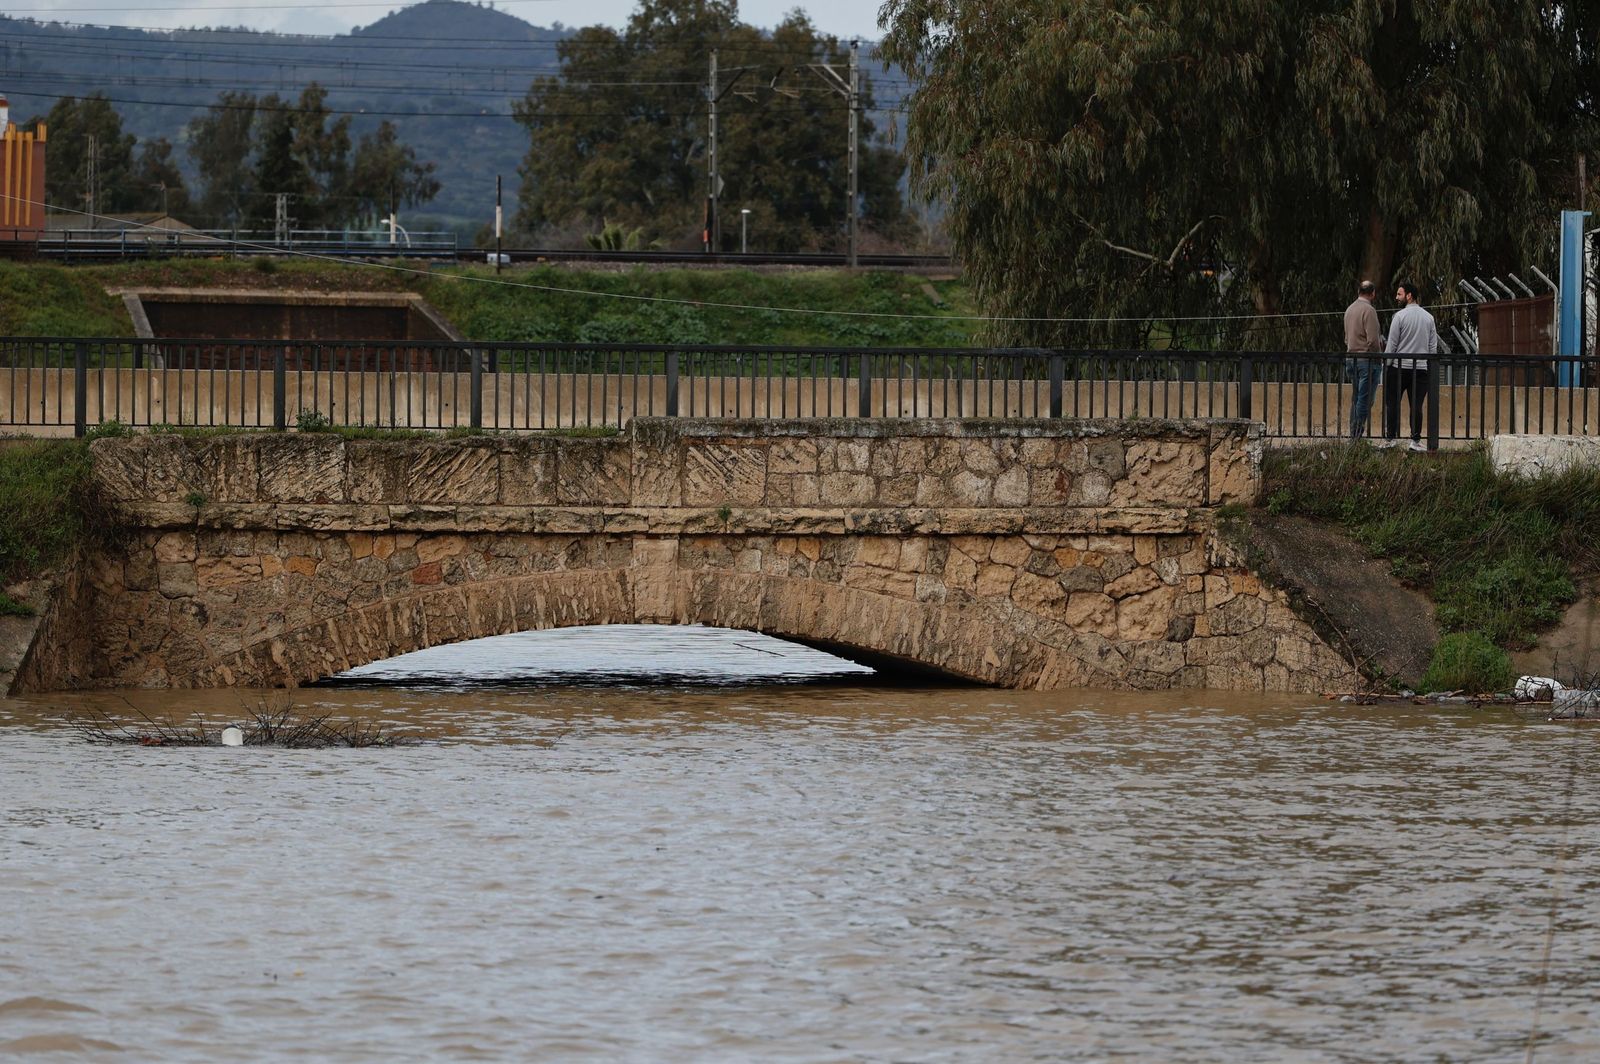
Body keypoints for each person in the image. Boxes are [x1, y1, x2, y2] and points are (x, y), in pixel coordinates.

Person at [1382, 281, 1438, 451]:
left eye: (1399, 294)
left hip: (1398, 368)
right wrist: (1428, 366)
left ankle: (1390, 439)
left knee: (1392, 404)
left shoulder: (1399, 317)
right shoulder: (1429, 317)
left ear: (1409, 296)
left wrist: (1387, 365)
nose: (1396, 297)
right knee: (1416, 405)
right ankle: (1415, 441)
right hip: (1420, 370)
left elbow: (1392, 345)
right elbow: (1432, 347)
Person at [1343, 280, 1383, 439]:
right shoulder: (1369, 310)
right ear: (1373, 293)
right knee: (1365, 400)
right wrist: (1378, 357)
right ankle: (1357, 435)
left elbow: (1347, 338)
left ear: (1359, 291)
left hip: (1351, 359)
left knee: (1356, 398)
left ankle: (1353, 432)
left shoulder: (1349, 309)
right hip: (1366, 360)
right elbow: (1373, 340)